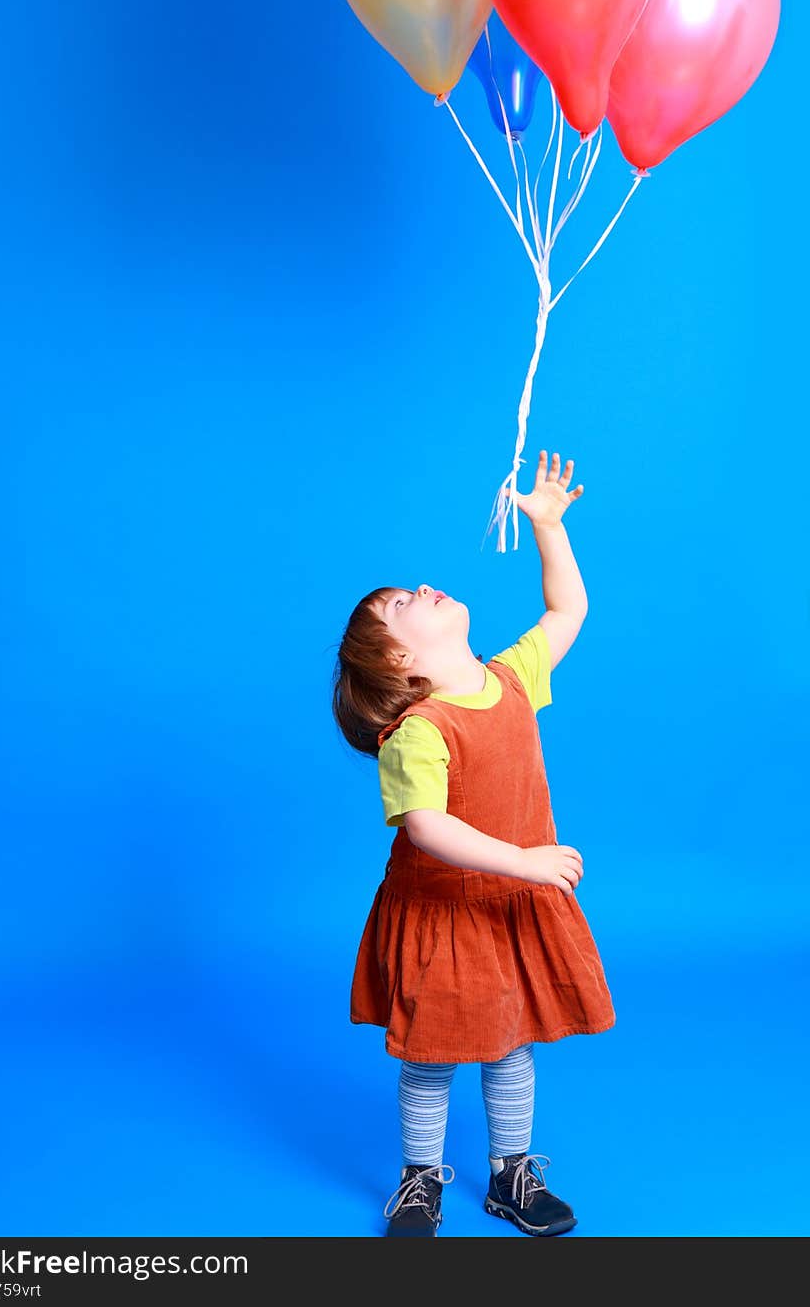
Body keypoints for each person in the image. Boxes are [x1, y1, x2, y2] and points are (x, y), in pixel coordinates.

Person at [331, 451, 615, 1238]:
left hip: (506, 907)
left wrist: (550, 530)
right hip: (446, 911)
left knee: (511, 1044)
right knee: (431, 1054)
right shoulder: (417, 731)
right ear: (397, 659)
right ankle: (420, 1179)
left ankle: (510, 1177)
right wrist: (524, 860)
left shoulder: (512, 680)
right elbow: (427, 826)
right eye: (400, 605)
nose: (422, 588)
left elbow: (566, 614)